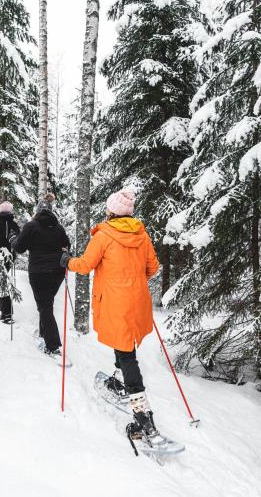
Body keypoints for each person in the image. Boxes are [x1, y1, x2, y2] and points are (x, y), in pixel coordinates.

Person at [60, 188, 162, 441]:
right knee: (125, 345)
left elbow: (85, 265)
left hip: (116, 302)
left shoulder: (104, 235)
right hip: (137, 300)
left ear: (111, 211)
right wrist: (134, 282)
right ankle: (119, 381)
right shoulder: (141, 234)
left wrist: (66, 261)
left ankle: (143, 418)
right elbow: (153, 267)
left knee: (127, 355)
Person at [9, 193, 70, 356]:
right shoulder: (58, 227)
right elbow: (67, 245)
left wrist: (13, 239)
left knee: (44, 306)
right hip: (57, 272)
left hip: (39, 272)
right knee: (46, 304)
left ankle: (52, 345)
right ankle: (45, 334)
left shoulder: (31, 226)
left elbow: (20, 247)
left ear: (37, 211)